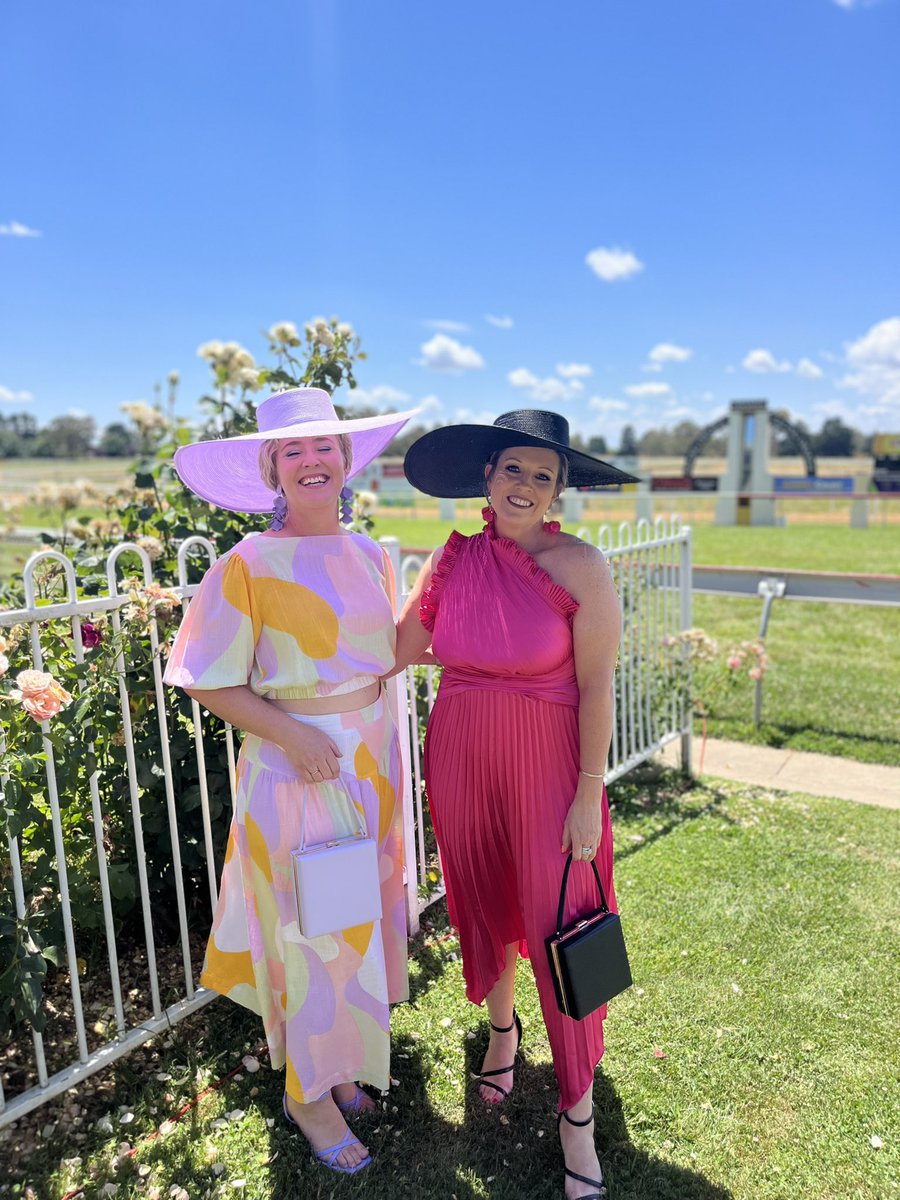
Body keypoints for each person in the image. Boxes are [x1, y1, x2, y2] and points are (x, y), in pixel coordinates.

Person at [163, 387, 416, 1176]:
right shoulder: (247, 564)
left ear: (347, 462)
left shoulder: (372, 555)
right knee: (311, 933)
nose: (313, 461)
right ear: (272, 469)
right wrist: (294, 733)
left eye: (325, 447)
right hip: (297, 769)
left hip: (369, 763)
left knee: (352, 920)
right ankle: (306, 1096)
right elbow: (203, 676)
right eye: (293, 451)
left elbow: (387, 654)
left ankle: (337, 1067)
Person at [395, 411, 638, 1200]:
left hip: (550, 765)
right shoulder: (455, 559)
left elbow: (597, 683)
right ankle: (502, 1034)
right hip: (462, 754)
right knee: (484, 898)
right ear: (487, 476)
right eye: (513, 470)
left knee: (559, 918)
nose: (525, 487)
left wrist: (588, 792)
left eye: (543, 475)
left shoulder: (581, 566)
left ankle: (577, 1113)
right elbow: (402, 644)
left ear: (560, 488)